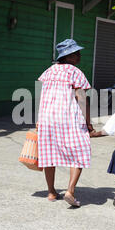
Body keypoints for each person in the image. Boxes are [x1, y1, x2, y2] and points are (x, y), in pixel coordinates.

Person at [37, 39, 94, 207]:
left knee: (49, 153)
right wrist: (88, 123)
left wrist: (39, 119)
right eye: (77, 53)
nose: (80, 56)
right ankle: (70, 191)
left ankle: (51, 192)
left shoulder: (48, 71)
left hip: (47, 118)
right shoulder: (75, 72)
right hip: (69, 118)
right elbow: (82, 99)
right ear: (69, 56)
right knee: (79, 151)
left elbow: (43, 96)